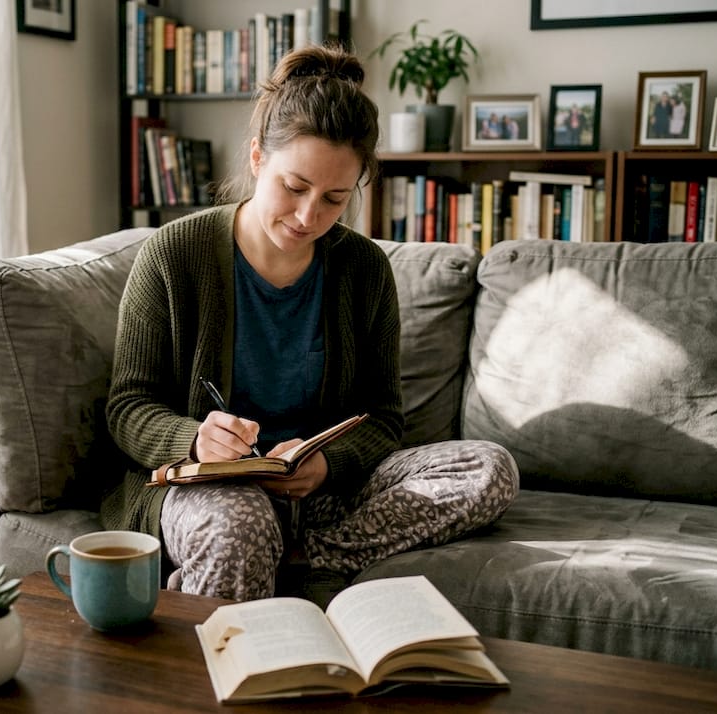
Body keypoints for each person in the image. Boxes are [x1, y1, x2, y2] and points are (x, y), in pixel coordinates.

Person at [100, 44, 519, 603]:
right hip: (214, 489)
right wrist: (195, 439)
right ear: (256, 158)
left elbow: (383, 418)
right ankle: (243, 593)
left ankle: (301, 555)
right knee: (236, 528)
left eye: (333, 199)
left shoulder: (364, 270)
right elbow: (127, 408)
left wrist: (325, 465)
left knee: (487, 468)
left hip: (321, 497)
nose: (307, 217)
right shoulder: (175, 255)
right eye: (294, 188)